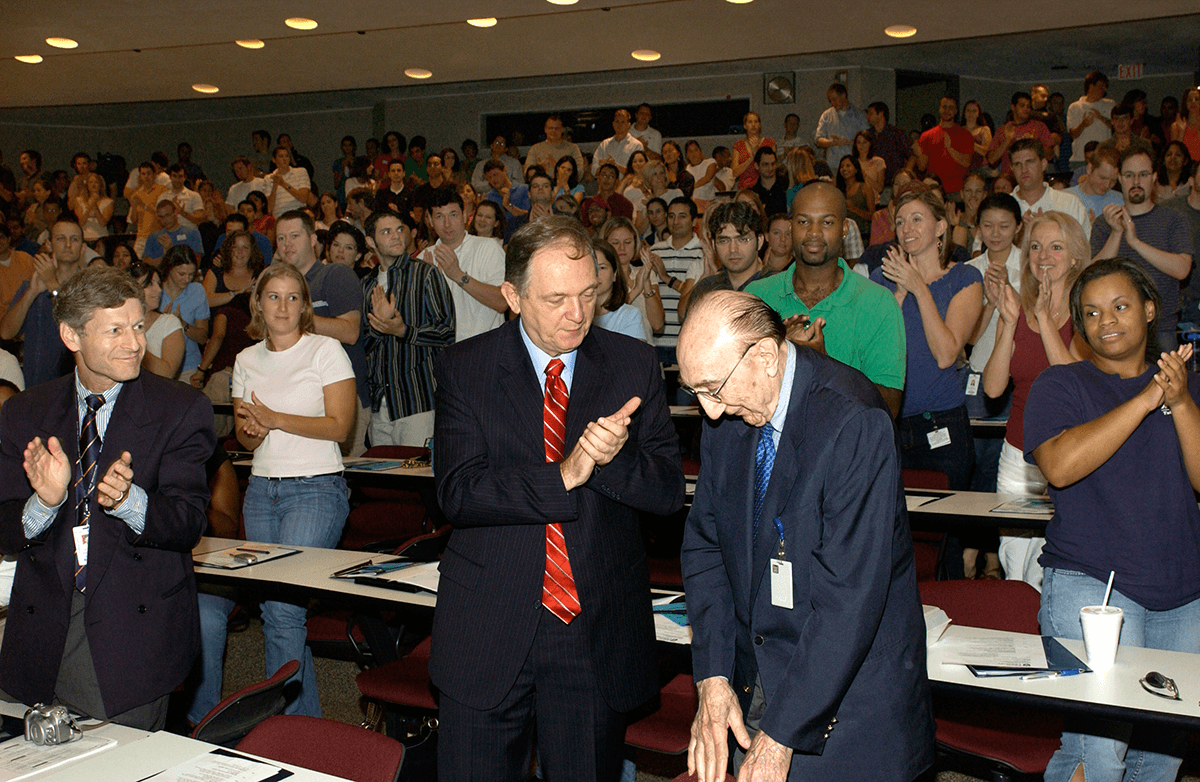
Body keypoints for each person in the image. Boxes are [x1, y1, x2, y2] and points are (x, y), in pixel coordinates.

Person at [430, 216, 685, 781]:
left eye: (588, 294)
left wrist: (614, 459)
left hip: (593, 633)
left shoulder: (632, 364)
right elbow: (458, 493)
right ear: (512, 297)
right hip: (488, 626)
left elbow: (669, 494)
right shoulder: (465, 369)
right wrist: (564, 474)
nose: (578, 314)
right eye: (556, 299)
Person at [678, 290, 934, 782]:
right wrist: (713, 676)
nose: (709, 412)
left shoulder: (852, 419)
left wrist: (781, 737)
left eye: (713, 388)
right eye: (697, 393)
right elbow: (706, 544)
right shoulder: (732, 408)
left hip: (848, 700)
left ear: (767, 357)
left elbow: (848, 602)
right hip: (760, 673)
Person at [0, 264, 215, 729]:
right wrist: (45, 503)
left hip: (130, 629)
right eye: (115, 329)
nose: (135, 343)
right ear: (71, 336)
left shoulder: (178, 408)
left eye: (138, 326)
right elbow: (3, 529)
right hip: (41, 629)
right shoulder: (23, 412)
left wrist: (131, 502)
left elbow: (189, 522)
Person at [1025, 258, 1200, 782]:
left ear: (1150, 309)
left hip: (1182, 593)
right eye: (1092, 313)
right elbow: (1058, 466)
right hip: (1093, 585)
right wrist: (1148, 399)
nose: (1107, 321)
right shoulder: (1060, 385)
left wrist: (1181, 401)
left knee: (1162, 754)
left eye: (1121, 306)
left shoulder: (1185, 385)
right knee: (1096, 751)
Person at [233, 262, 356, 718]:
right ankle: (307, 728)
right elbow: (246, 437)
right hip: (262, 490)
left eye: (292, 297)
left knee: (284, 612)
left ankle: (285, 736)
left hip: (316, 491)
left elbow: (341, 427)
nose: (282, 306)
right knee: (277, 613)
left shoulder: (325, 350)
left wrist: (276, 418)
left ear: (304, 306)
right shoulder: (246, 359)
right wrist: (255, 430)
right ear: (258, 304)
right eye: (273, 297)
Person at [982, 212, 1090, 586]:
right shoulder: (1015, 307)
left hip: (1068, 452)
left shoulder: (1088, 311)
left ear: (1075, 256)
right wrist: (1010, 322)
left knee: (1046, 570)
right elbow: (993, 389)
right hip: (1017, 454)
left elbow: (1076, 382)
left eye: (1056, 247)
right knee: (1015, 567)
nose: (1044, 256)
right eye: (1036, 247)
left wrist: (1045, 320)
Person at [872, 185, 983, 491]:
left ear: (941, 226)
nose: (907, 228)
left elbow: (947, 354)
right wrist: (900, 292)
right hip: (891, 425)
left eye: (917, 219)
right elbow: (875, 349)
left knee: (946, 534)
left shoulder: (964, 278)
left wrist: (919, 288)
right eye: (901, 221)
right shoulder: (881, 280)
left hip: (942, 424)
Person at [276, 210, 369, 456]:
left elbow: (350, 332)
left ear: (313, 239)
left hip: (341, 397)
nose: (287, 244)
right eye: (281, 238)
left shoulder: (335, 274)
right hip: (299, 396)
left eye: (294, 236)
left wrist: (298, 316)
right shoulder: (279, 286)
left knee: (340, 480)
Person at [362, 211, 455, 448]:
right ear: (370, 242)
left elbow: (447, 333)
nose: (396, 236)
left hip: (416, 402)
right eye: (386, 232)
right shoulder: (365, 284)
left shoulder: (425, 274)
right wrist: (378, 328)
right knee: (383, 483)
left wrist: (403, 330)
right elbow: (361, 344)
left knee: (417, 480)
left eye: (399, 229)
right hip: (379, 407)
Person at [1091, 143, 1193, 351]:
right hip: (1115, 328)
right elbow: (1092, 275)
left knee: (1167, 383)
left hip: (1161, 327)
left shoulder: (1173, 218)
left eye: (1143, 174)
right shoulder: (1105, 223)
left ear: (1154, 177)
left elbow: (1182, 269)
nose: (1136, 182)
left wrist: (1136, 243)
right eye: (1129, 175)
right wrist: (1117, 233)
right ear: (1119, 178)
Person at [1, 218, 85, 386]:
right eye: (61, 238)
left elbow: (76, 326)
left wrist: (52, 285)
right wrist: (32, 292)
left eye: (74, 239)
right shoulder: (32, 285)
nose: (68, 244)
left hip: (77, 385)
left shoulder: (91, 285)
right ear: (49, 244)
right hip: (37, 384)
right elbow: (6, 333)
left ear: (83, 248)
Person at [421, 188, 507, 342]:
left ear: (465, 216)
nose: (447, 224)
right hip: (443, 353)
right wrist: (429, 287)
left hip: (484, 349)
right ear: (430, 221)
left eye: (453, 215)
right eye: (439, 217)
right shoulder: (423, 258)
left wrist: (458, 275)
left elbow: (502, 302)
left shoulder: (487, 247)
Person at [682, 201, 766, 321]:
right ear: (713, 244)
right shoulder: (706, 289)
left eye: (742, 239)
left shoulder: (781, 288)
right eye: (724, 241)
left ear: (760, 241)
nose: (732, 249)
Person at [600, 216, 664, 339]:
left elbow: (658, 326)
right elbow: (608, 319)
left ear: (635, 244)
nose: (622, 248)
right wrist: (635, 291)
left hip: (644, 350)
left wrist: (645, 283)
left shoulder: (645, 272)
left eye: (627, 242)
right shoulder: (600, 275)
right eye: (615, 243)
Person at [157, 247, 210, 379]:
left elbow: (203, 337)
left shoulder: (196, 291)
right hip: (157, 364)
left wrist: (182, 323)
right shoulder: (155, 290)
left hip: (188, 365)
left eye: (191, 275)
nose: (186, 279)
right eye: (181, 274)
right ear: (169, 269)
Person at [129, 261, 184, 380]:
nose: (158, 290)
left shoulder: (168, 323)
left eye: (159, 284)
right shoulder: (118, 324)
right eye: (149, 284)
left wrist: (135, 344)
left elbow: (167, 374)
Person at [916, 95, 974, 195]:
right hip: (933, 191)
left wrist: (950, 148)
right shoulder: (926, 136)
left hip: (957, 192)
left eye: (951, 108)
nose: (947, 110)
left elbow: (967, 162)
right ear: (939, 109)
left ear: (956, 111)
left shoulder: (965, 135)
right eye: (944, 107)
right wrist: (917, 152)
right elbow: (922, 167)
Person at [591, 237, 646, 341]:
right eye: (590, 268)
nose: (596, 274)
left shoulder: (629, 315)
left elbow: (635, 356)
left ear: (615, 274)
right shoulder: (576, 315)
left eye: (602, 268)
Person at [987, 91, 1055, 175]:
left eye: (1028, 106)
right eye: (1022, 106)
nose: (1026, 109)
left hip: (1034, 177)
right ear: (1013, 107)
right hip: (1010, 178)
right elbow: (991, 160)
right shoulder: (1002, 130)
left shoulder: (1039, 126)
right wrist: (1008, 140)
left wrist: (1033, 143)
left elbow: (1050, 155)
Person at [204, 229, 262, 309]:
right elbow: (205, 300)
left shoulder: (260, 275)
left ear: (252, 251)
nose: (239, 251)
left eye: (244, 248)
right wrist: (237, 293)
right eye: (235, 247)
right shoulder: (215, 273)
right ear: (229, 250)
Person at [1067, 71, 1115, 169]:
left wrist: (1101, 118)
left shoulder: (1110, 104)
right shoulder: (1075, 107)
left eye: (1105, 86)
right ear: (1090, 86)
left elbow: (1116, 128)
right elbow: (1072, 135)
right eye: (1101, 86)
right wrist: (1083, 124)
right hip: (1080, 159)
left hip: (1104, 158)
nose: (1104, 89)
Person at [815, 82, 868, 168]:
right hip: (833, 165)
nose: (832, 103)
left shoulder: (859, 115)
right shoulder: (826, 115)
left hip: (854, 165)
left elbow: (867, 140)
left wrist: (848, 142)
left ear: (843, 96)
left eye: (834, 99)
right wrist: (832, 142)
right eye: (830, 100)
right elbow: (818, 140)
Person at [591, 109, 645, 177]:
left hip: (629, 186)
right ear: (613, 123)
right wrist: (605, 166)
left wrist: (615, 165)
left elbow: (638, 172)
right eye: (617, 121)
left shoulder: (637, 145)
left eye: (623, 122)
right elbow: (594, 171)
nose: (619, 125)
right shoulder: (604, 144)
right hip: (607, 185)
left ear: (629, 125)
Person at [732, 112, 775, 190]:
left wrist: (757, 151)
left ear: (759, 125)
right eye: (750, 122)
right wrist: (751, 158)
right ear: (745, 126)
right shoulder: (739, 145)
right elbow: (734, 173)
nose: (753, 124)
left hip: (765, 187)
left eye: (756, 121)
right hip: (745, 188)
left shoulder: (769, 143)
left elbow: (772, 168)